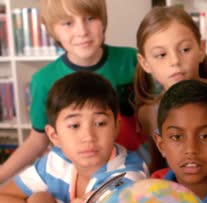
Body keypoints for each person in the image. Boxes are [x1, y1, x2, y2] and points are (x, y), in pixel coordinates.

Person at [0, 72, 148, 203]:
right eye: (74, 126)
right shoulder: (56, 161)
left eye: (100, 123)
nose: (88, 137)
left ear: (116, 127)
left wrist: (39, 199)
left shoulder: (126, 178)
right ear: (54, 135)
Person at [0, 0, 143, 183]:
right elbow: (38, 141)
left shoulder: (133, 60)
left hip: (132, 167)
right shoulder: (43, 80)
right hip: (74, 176)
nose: (82, 31)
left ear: (104, 20)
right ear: (51, 29)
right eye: (68, 23)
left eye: (90, 18)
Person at [134, 6, 207, 175]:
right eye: (161, 55)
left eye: (185, 50)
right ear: (145, 63)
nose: (175, 61)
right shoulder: (148, 113)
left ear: (201, 49)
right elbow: (159, 173)